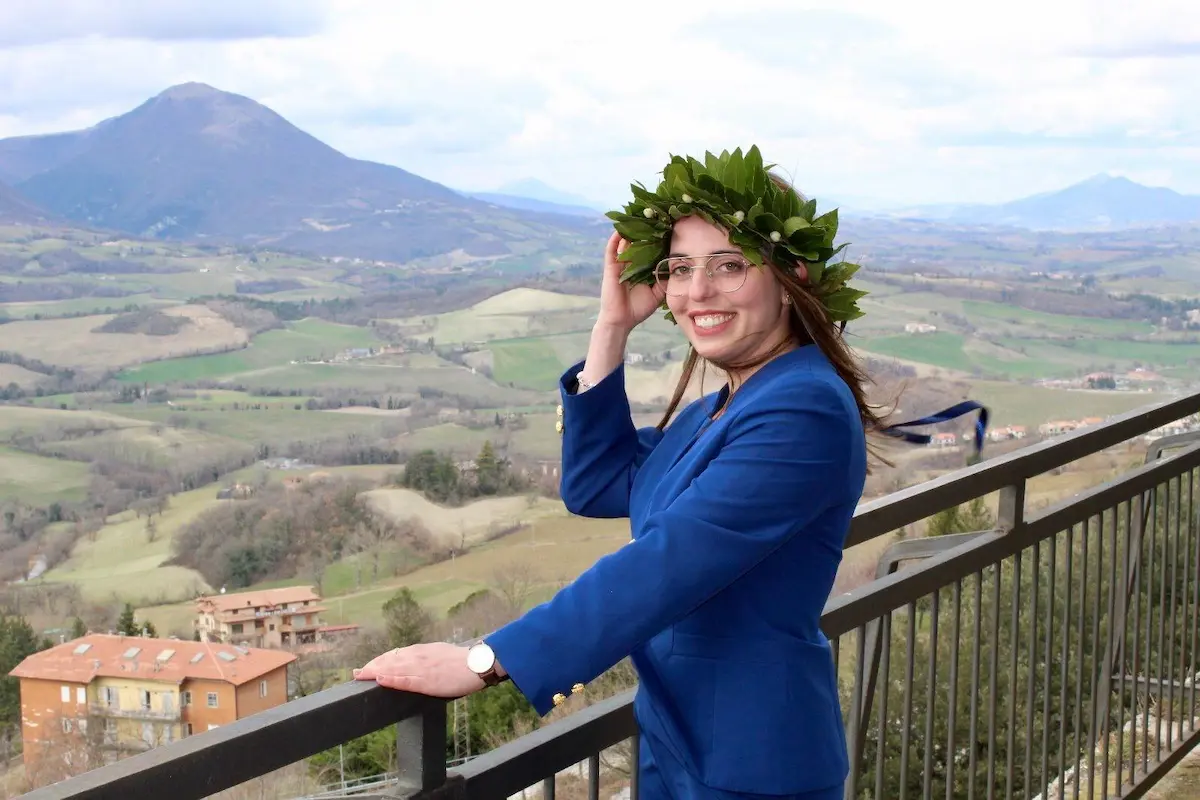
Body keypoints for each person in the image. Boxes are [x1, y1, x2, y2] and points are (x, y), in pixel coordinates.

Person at [355, 147, 984, 798]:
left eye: (728, 266)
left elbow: (667, 562)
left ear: (791, 275)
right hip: (678, 745)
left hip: (753, 766)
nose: (697, 291)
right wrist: (612, 325)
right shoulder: (725, 406)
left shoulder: (802, 409)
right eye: (679, 269)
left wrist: (488, 661)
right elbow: (597, 484)